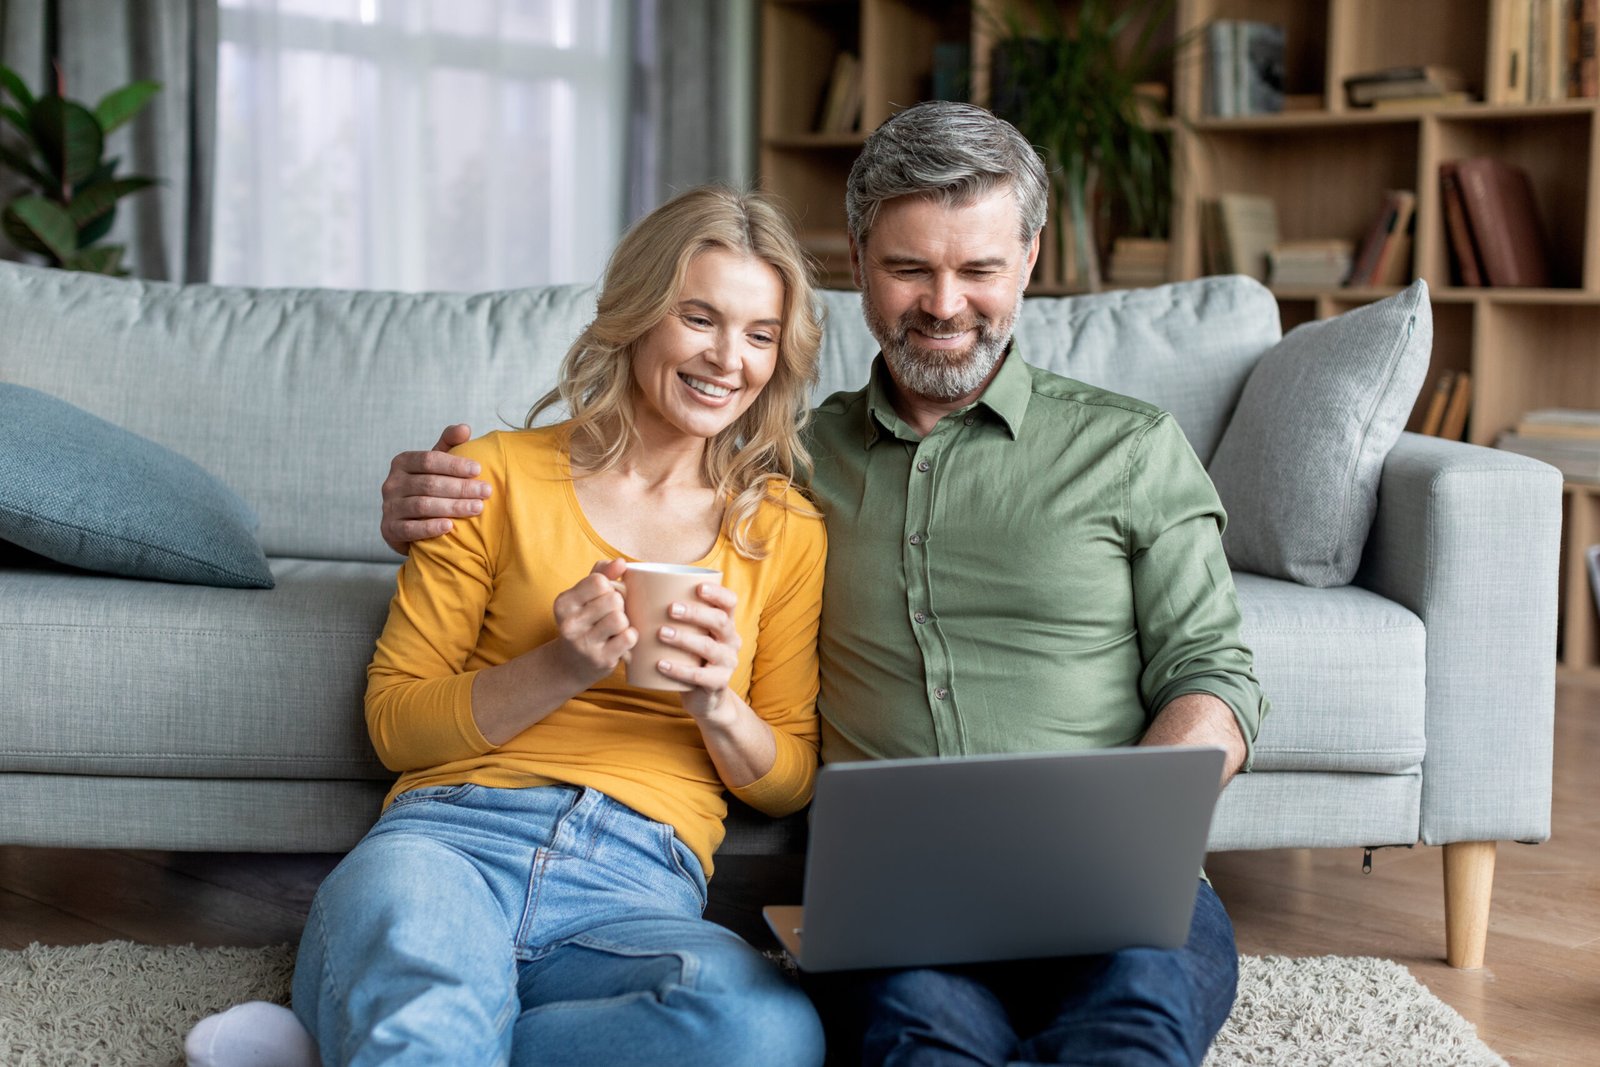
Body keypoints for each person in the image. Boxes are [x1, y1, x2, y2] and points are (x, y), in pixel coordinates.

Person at [380, 102, 1269, 1067]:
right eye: (909, 268)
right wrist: (423, 501)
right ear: (856, 261)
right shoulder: (786, 469)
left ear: (1029, 260)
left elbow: (1214, 675)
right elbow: (638, 473)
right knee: (920, 1045)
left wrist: (1120, 840)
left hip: (1114, 882)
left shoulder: (1131, 448)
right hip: (907, 894)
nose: (943, 302)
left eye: (977, 269)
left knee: (1130, 1036)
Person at [186, 184, 830, 1067]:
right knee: (430, 995)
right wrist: (563, 663)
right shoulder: (489, 477)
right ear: (638, 314)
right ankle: (404, 1025)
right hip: (447, 845)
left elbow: (790, 776)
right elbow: (394, 724)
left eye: (760, 335)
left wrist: (718, 701)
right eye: (699, 318)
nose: (729, 359)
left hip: (638, 884)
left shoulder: (785, 531)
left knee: (766, 1032)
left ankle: (356, 1037)